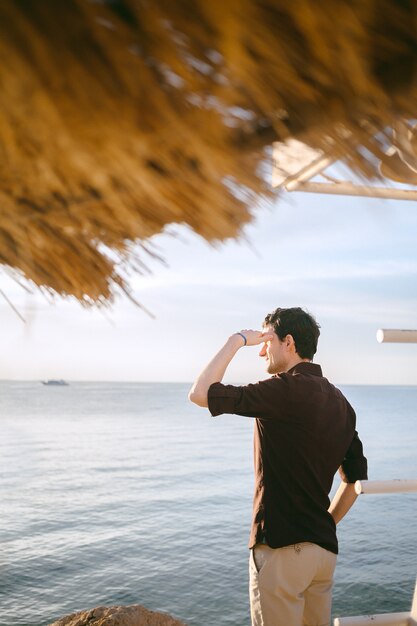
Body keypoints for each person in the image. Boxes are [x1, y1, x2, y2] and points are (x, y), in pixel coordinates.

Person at [188, 306, 367, 626]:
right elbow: (355, 482)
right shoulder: (342, 403)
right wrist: (325, 524)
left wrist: (236, 340)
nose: (260, 351)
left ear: (288, 342)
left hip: (282, 549)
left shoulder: (284, 388)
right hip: (323, 554)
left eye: (265, 341)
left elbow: (201, 393)